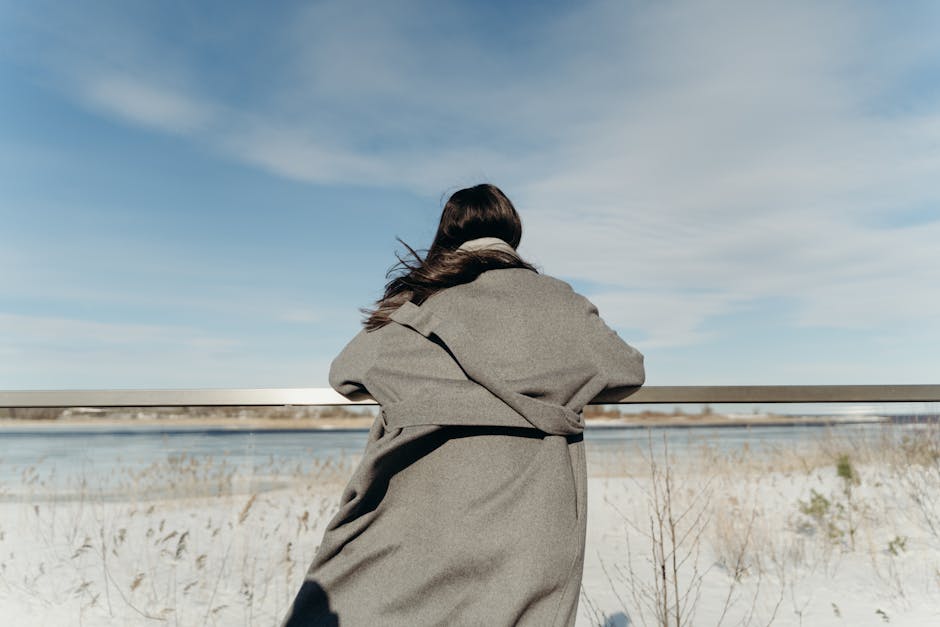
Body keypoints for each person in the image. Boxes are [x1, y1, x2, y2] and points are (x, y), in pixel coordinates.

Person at [282, 184, 644, 626]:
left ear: (448, 235)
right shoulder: (559, 300)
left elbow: (345, 374)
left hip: (414, 520)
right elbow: (627, 369)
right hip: (529, 530)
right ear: (512, 235)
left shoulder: (418, 302)